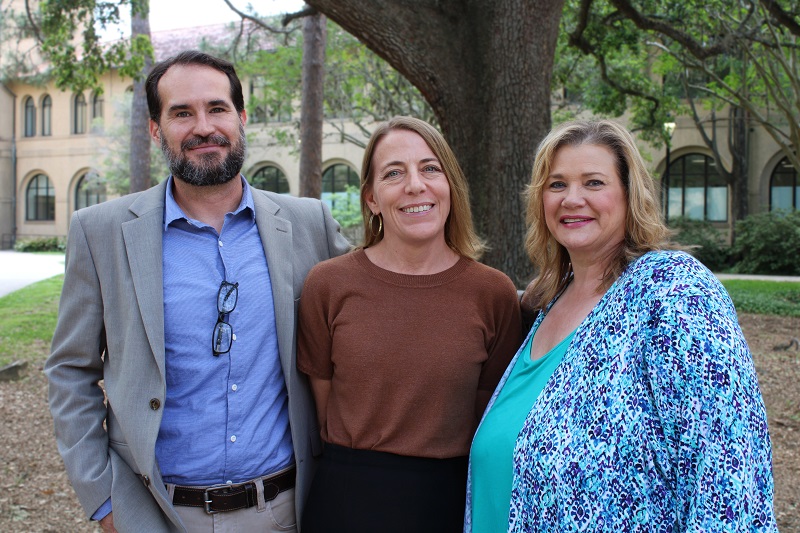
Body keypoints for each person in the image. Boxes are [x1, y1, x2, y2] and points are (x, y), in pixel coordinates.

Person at [45, 50, 350, 533]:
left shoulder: (309, 224)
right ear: (156, 129)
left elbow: (372, 315)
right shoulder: (99, 233)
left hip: (288, 510)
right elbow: (70, 370)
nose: (203, 127)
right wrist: (102, 499)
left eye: (217, 108)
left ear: (241, 118)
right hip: (156, 514)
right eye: (182, 113)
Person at [467, 119, 777, 532]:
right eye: (557, 185)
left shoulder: (672, 290)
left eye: (593, 182)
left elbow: (728, 468)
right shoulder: (546, 304)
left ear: (631, 195)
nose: (572, 199)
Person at [296, 116, 522, 532]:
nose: (415, 185)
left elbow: (489, 421)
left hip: (450, 503)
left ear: (450, 186)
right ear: (372, 199)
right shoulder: (327, 285)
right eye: (394, 173)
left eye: (430, 168)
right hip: (346, 502)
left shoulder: (494, 294)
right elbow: (322, 410)